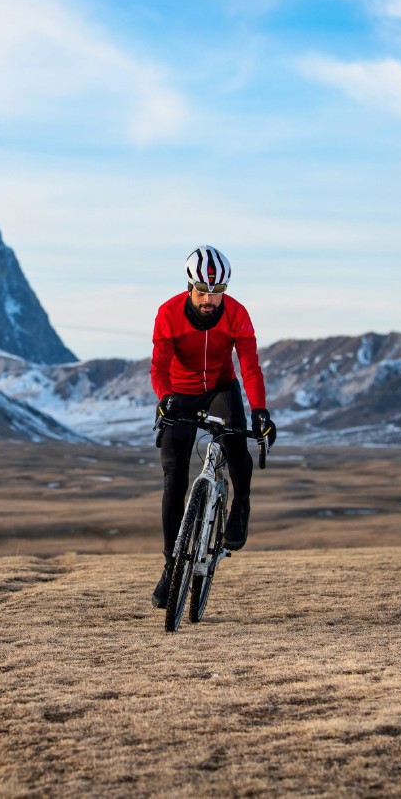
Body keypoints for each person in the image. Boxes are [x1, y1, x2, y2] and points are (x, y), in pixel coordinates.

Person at [150, 244, 277, 608]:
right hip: (180, 391)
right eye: (203, 292)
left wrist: (260, 410)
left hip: (221, 388)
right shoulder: (169, 313)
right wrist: (164, 397)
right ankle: (171, 564)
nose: (210, 300)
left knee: (237, 445)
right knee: (174, 477)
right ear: (190, 286)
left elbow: (250, 366)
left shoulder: (236, 313)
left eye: (217, 292)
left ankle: (241, 505)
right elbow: (158, 367)